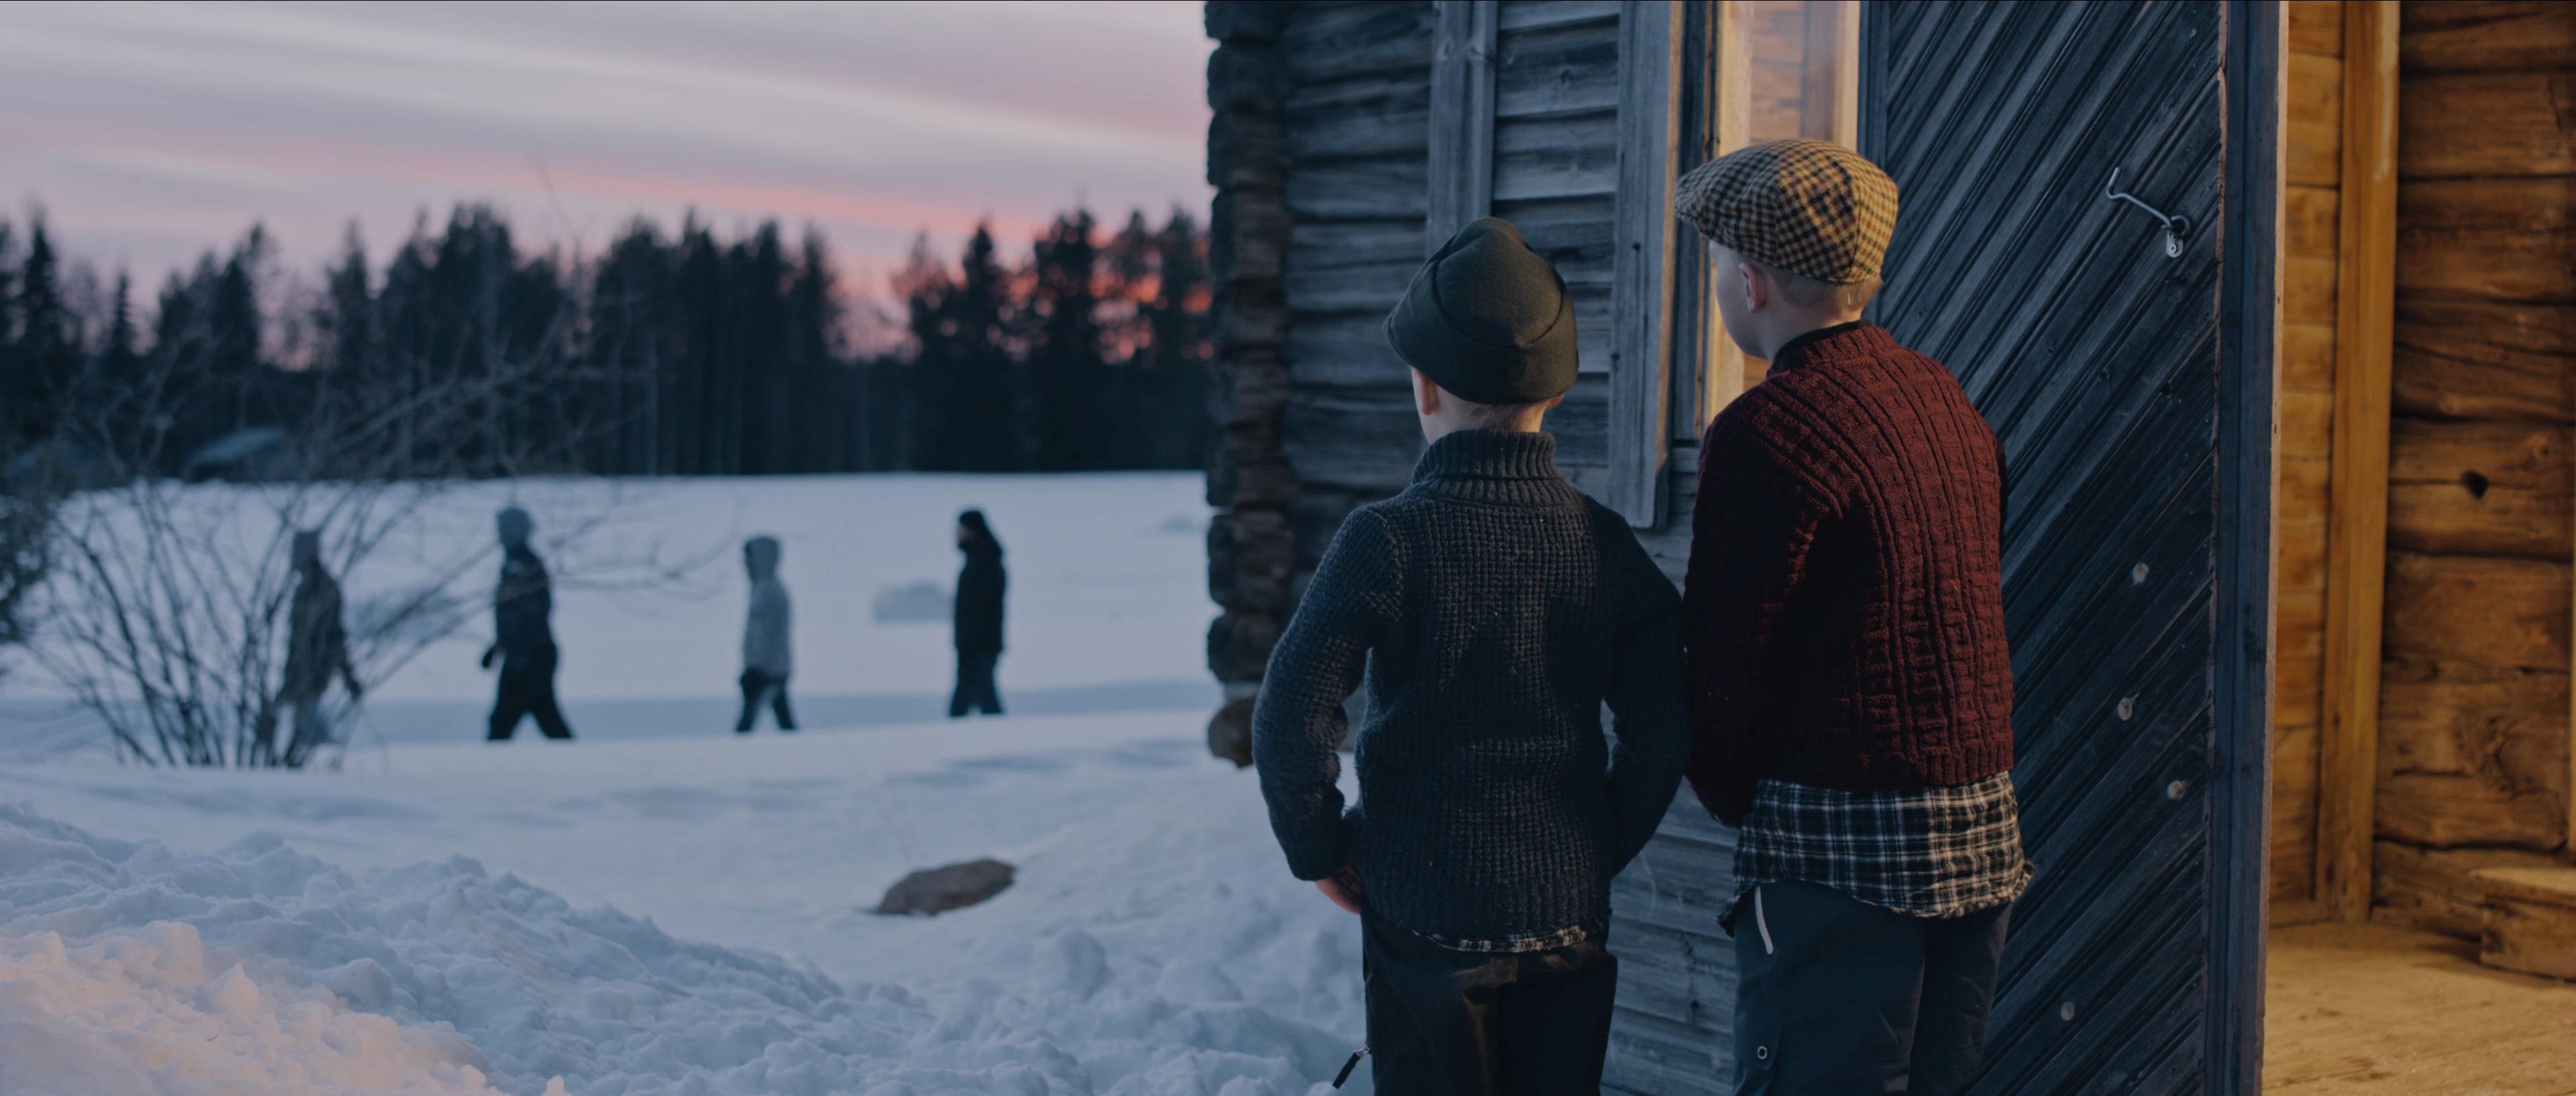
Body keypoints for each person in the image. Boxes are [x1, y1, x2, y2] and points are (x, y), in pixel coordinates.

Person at [1252, 217, 1689, 1096]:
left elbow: (1290, 715)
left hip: (1422, 908)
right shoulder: (1600, 543)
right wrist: (1598, 841)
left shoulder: (1386, 539)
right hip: (1566, 909)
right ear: (1555, 394)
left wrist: (1320, 847)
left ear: (1423, 387)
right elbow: (1667, 719)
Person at [1673, 140, 2027, 1095]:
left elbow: (1724, 664)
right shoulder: (1943, 398)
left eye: (1714, 264)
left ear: (1749, 282)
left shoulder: (1766, 431)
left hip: (1839, 856)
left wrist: (1739, 800)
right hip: (1980, 837)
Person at [267, 529, 361, 767]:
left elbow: (334, 635)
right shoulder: (305, 588)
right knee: (297, 723)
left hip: (315, 670)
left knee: (309, 730)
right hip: (301, 671)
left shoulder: (323, 588)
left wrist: (348, 676)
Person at [482, 506, 574, 741]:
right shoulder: (515, 562)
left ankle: (489, 769)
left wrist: (520, 652)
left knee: (507, 720)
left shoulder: (523, 565)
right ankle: (576, 761)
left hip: (531, 655)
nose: (499, 534)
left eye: (504, 528)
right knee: (543, 714)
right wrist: (499, 647)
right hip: (527, 653)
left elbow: (531, 614)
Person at [949, 509, 1006, 718]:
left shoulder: (985, 562)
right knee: (979, 700)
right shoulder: (979, 559)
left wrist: (972, 645)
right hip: (974, 645)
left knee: (978, 701)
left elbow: (982, 611)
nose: (957, 533)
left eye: (961, 528)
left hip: (979, 646)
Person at [737, 535, 796, 733]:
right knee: (784, 722)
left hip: (766, 671)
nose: (744, 563)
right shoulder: (764, 588)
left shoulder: (767, 591)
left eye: (748, 557)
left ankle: (732, 755)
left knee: (747, 722)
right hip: (771, 668)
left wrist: (756, 668)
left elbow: (767, 636)